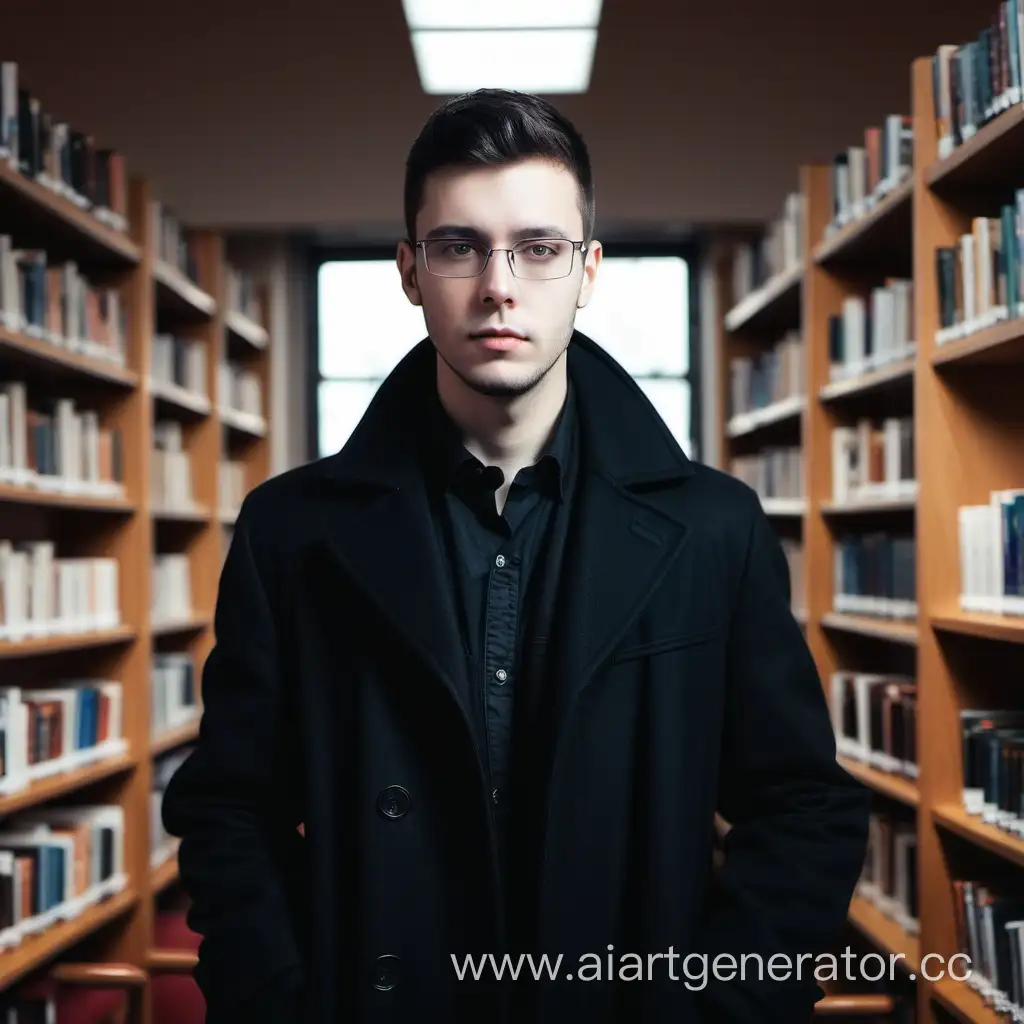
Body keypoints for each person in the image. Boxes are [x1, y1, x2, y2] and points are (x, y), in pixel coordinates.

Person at [161, 89, 871, 1023]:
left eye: (539, 249)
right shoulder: (290, 533)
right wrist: (282, 997)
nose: (500, 283)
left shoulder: (714, 530)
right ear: (411, 272)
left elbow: (802, 808)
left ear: (588, 271)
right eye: (460, 246)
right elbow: (228, 811)